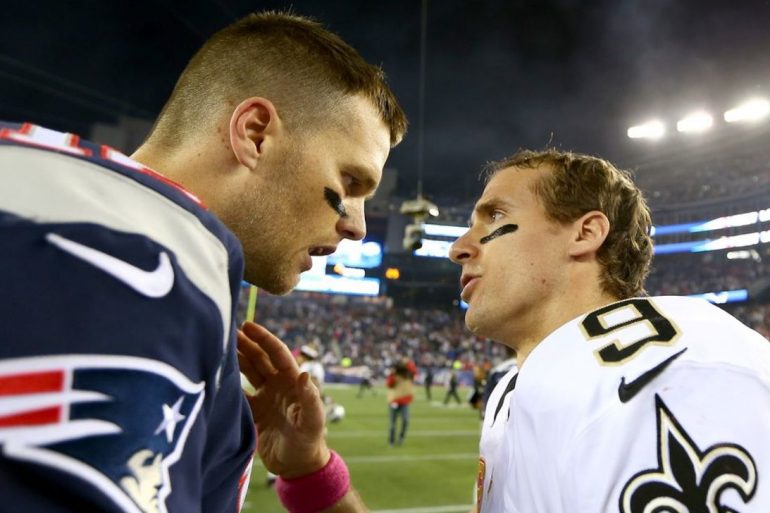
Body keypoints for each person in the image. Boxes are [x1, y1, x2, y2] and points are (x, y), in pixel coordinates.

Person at [0, 10, 406, 513]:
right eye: (350, 182)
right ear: (255, 133)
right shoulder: (131, 266)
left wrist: (309, 471)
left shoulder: (156, 255)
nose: (357, 226)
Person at [238, 148, 770, 513]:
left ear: (585, 233)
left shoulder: (674, 374)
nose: (458, 247)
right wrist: (312, 473)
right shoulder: (524, 385)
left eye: (493, 217)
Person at [385, 358, 415, 446]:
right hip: (394, 401)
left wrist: (407, 362)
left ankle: (401, 437)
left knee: (405, 420)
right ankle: (391, 440)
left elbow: (413, 371)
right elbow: (389, 385)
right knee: (393, 423)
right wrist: (393, 374)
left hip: (404, 401)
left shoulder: (409, 375)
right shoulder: (394, 375)